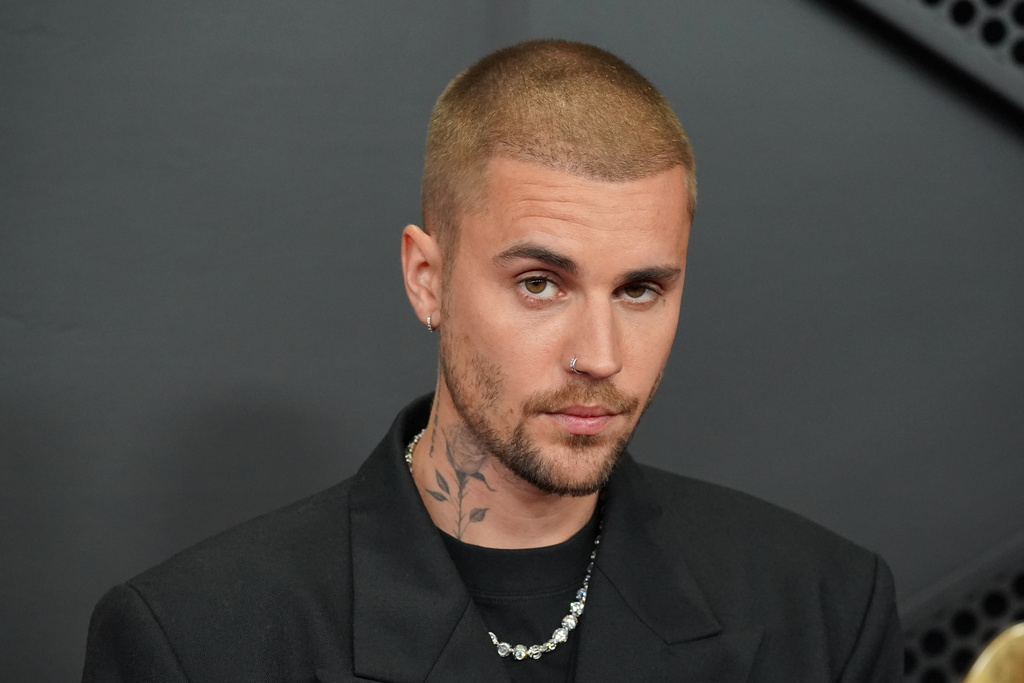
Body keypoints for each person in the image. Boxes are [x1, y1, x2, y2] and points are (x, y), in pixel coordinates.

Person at [82, 39, 902, 682]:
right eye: (541, 283)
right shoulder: (195, 641)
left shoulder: (823, 607)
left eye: (641, 290)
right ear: (426, 278)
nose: (600, 356)